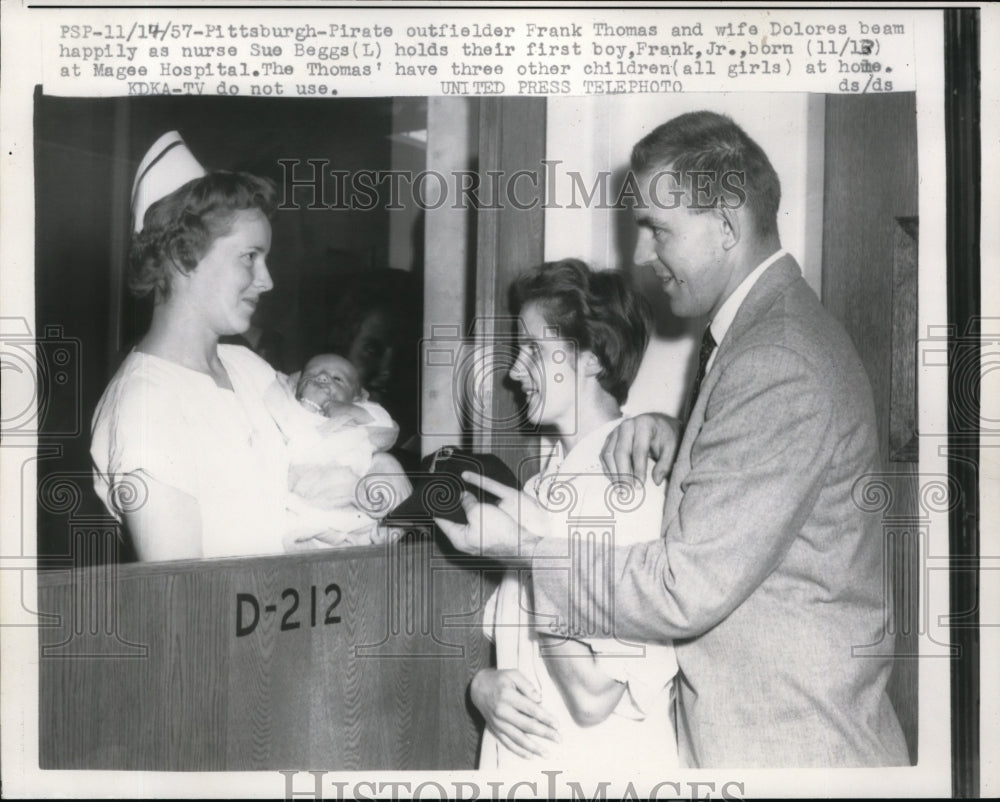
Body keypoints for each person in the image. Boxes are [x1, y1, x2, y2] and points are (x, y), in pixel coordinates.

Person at [438, 111, 909, 767]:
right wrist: (676, 431)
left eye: (659, 229)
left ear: (726, 223)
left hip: (790, 746)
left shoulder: (779, 356)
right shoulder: (765, 338)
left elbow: (683, 588)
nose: (641, 254)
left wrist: (529, 548)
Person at [471, 259, 678, 772]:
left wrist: (530, 552)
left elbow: (594, 696)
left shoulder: (633, 486)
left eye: (534, 350)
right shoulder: (544, 486)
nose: (515, 370)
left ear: (588, 357)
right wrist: (483, 687)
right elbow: (517, 652)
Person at [91, 132, 289, 561]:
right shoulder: (147, 406)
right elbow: (183, 608)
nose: (267, 280)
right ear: (183, 257)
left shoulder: (248, 368)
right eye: (250, 256)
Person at [263, 353, 412, 549]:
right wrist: (309, 406)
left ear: (357, 397)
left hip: (357, 502)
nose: (323, 378)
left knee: (386, 480)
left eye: (337, 379)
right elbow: (291, 432)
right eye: (312, 374)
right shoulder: (291, 408)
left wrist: (352, 411)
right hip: (309, 498)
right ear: (296, 384)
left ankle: (388, 528)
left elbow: (386, 429)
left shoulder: (360, 413)